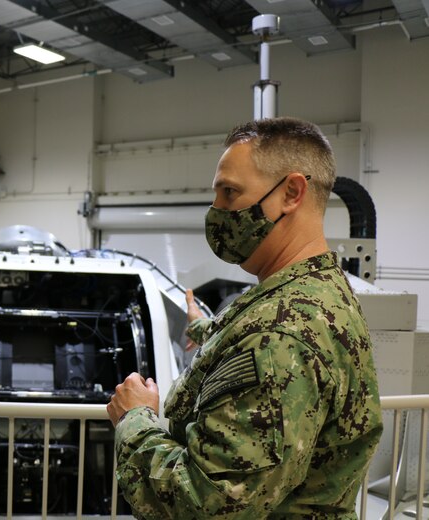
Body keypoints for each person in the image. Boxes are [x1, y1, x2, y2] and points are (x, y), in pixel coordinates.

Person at [107, 117, 383, 519]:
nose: (216, 211)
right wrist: (204, 327)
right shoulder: (316, 291)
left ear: (291, 192)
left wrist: (135, 420)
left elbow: (208, 503)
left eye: (230, 192)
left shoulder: (281, 334)